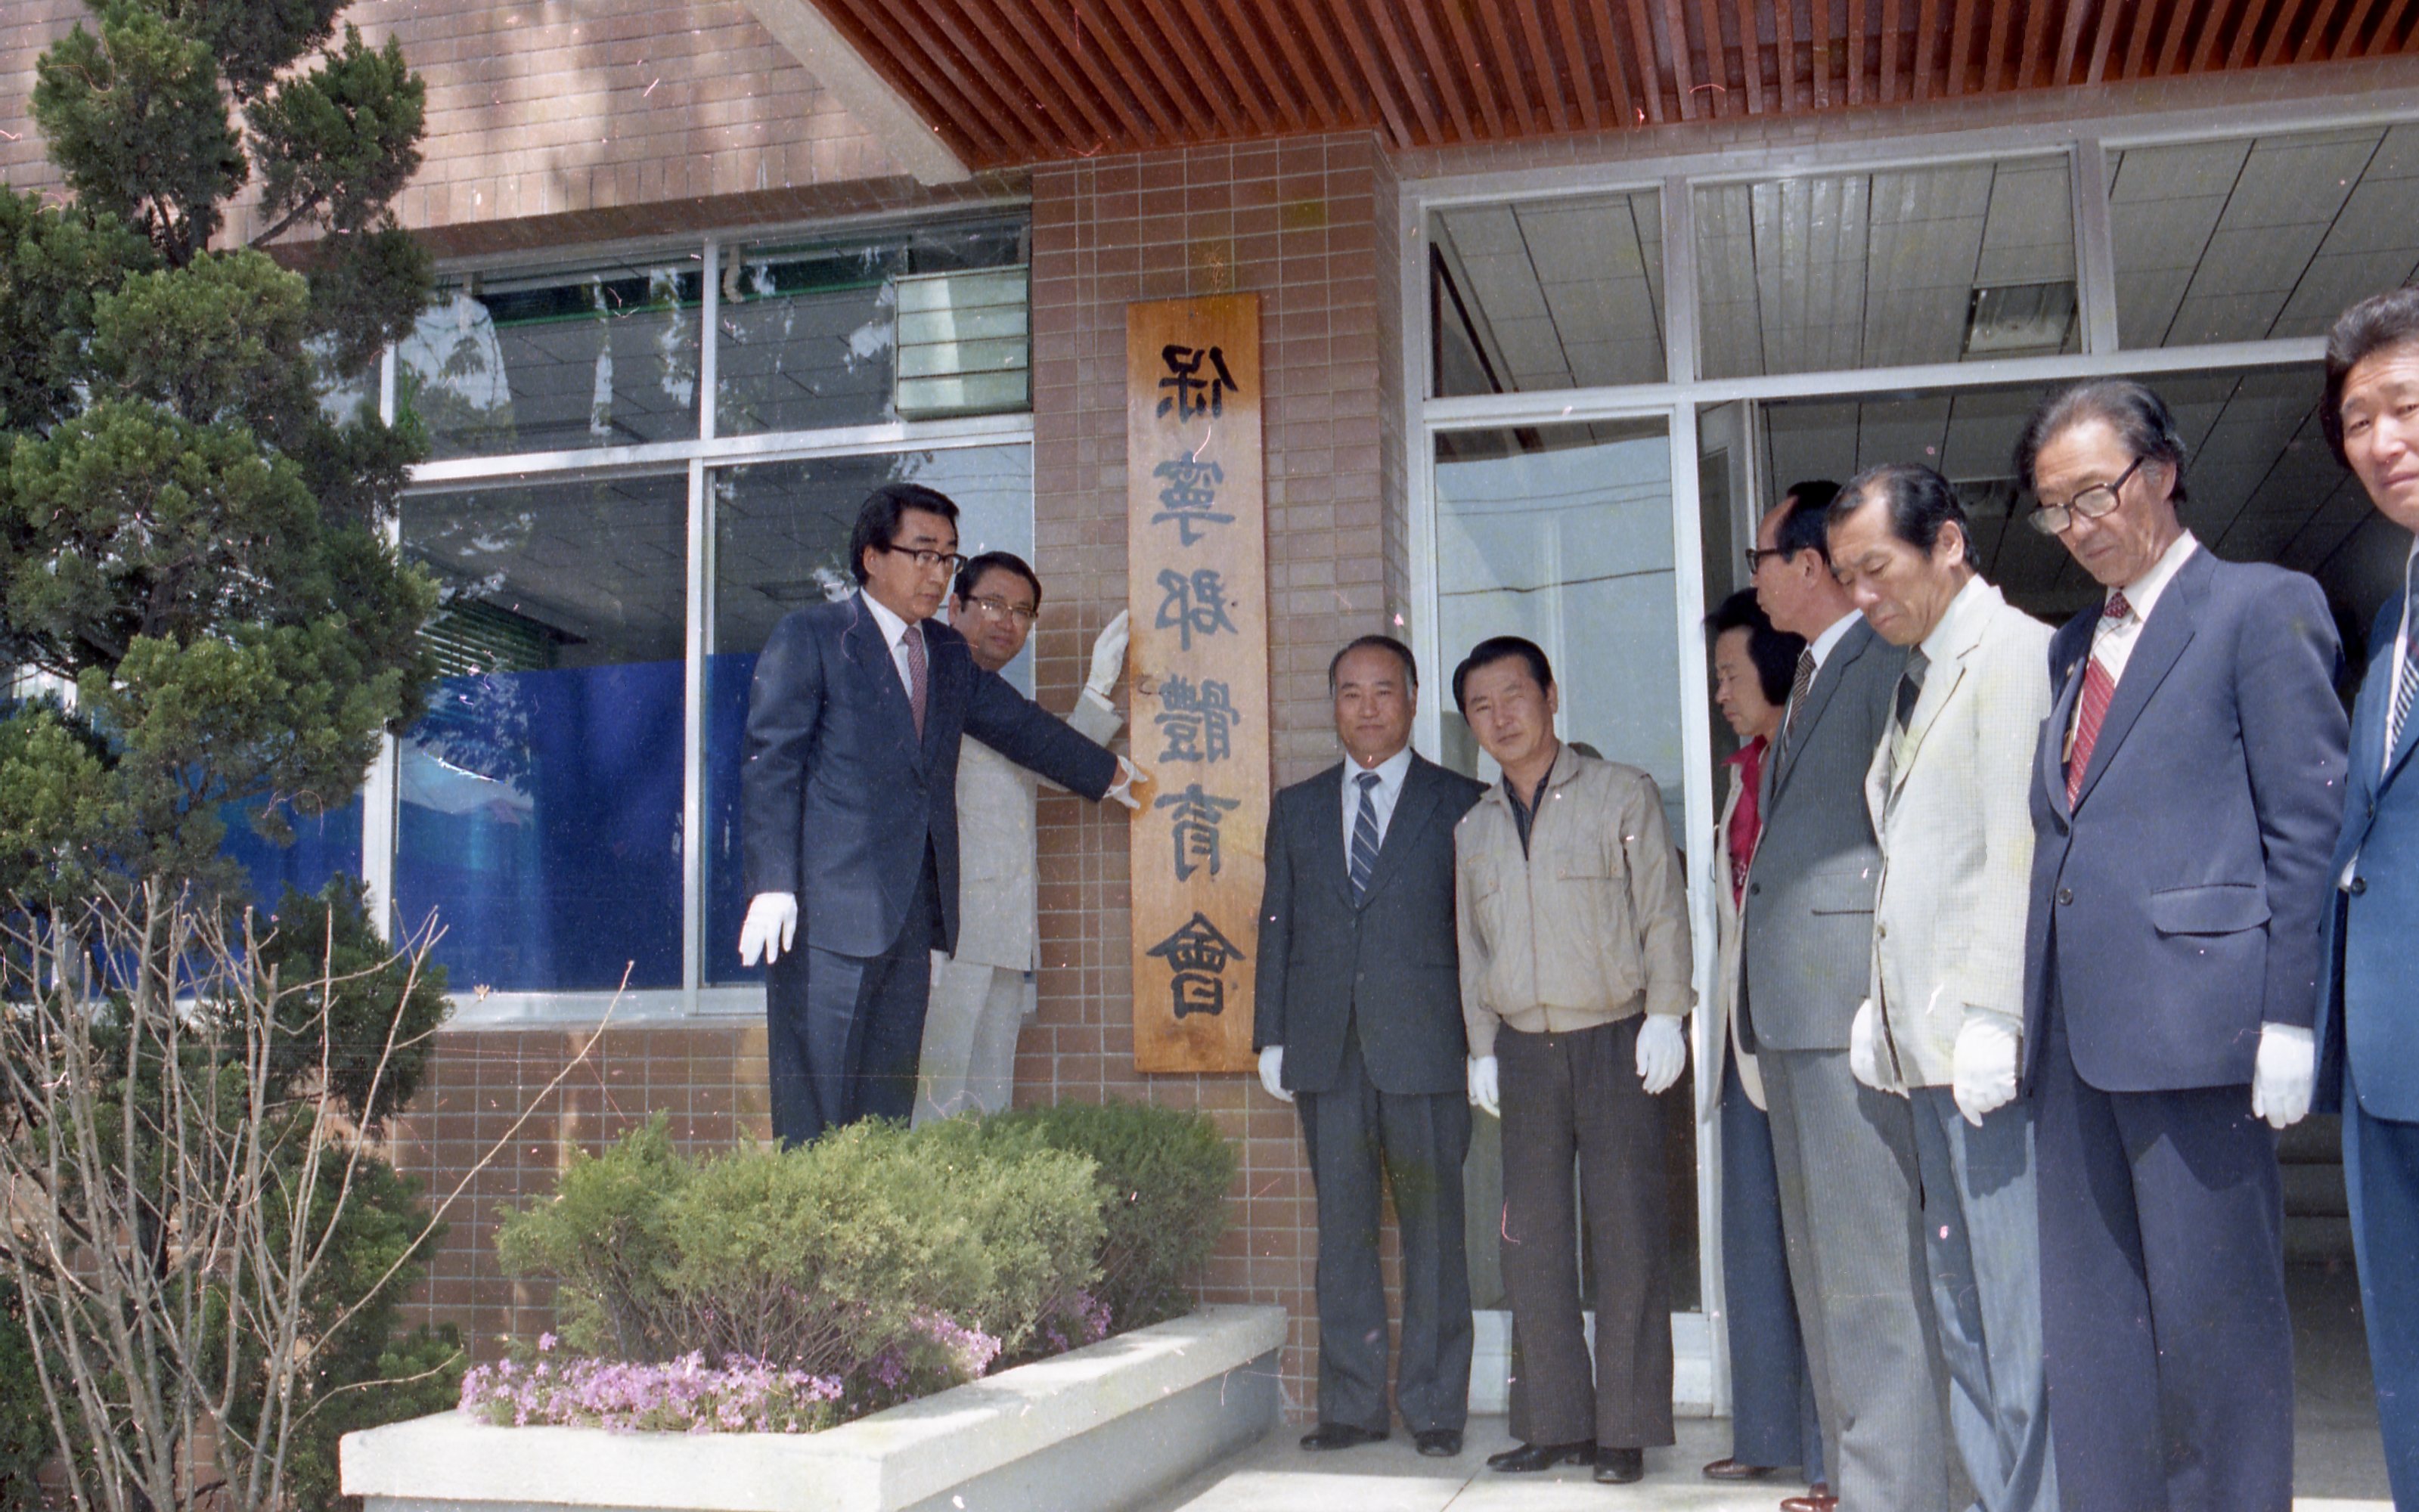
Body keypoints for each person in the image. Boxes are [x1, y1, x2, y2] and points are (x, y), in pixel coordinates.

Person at [2014, 380, 2346, 1512]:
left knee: (2215, 1331)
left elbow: (2304, 829)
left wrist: (2289, 1014)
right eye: (2054, 509)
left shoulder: (2260, 606)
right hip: (2073, 1038)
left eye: (2094, 493)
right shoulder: (2073, 647)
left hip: (2201, 1031)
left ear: (2161, 472)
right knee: (2094, 1334)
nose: (2076, 525)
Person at [737, 483, 1141, 1145]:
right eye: (922, 554)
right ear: (872, 557)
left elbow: (1022, 728)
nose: (937, 573)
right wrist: (773, 883)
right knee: (818, 1113)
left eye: (948, 558)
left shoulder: (945, 655)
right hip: (826, 922)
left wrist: (1112, 774)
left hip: (913, 924)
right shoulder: (813, 637)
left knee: (886, 1115)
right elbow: (771, 766)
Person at [1827, 464, 2057, 1512]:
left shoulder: (2009, 654)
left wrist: (1995, 1012)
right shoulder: (1914, 674)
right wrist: (1881, 1002)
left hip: (1980, 1055)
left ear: (1949, 545)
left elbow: (2015, 847)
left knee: (2018, 1320)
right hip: (1923, 1054)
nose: (1861, 594)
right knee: (1963, 1313)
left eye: (1876, 567)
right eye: (1846, 575)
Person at [1741, 481, 1948, 1512]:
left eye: (1760, 559)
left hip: (1846, 1015)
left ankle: (1898, 1489)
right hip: (1796, 1018)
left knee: (1871, 1270)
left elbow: (1908, 837)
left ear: (1808, 564)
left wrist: (1884, 994)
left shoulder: (1881, 660)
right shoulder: (1819, 672)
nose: (1752, 580)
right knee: (1824, 1266)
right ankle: (1853, 1474)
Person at [1453, 636, 1692, 1487]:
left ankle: (1624, 1428)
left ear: (1551, 694)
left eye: (1513, 695)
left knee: (1627, 1233)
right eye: (1480, 707)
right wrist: (1481, 1047)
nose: (1500, 717)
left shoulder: (1621, 792)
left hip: (1614, 1037)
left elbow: (1661, 912)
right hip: (1523, 1050)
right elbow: (1471, 951)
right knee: (1532, 1244)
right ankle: (1554, 1424)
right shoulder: (1473, 828)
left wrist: (1667, 1013)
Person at [1251, 635, 1487, 1459]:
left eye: (1383, 690)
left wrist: (1482, 1042)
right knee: (1342, 1234)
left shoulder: (1461, 801)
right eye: (1349, 692)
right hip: (1327, 1050)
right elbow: (1277, 921)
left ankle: (1435, 1407)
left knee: (1434, 1234)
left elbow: (1477, 932)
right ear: (1333, 705)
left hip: (1427, 1047)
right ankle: (1351, 1406)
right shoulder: (1298, 805)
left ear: (1413, 700)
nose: (1367, 707)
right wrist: (1271, 1034)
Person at [2315, 284, 2419, 1509]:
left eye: (2403, 406)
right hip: (2385, 1058)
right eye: (2356, 420)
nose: (2381, 441)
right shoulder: (2394, 618)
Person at [912, 552, 1127, 1125]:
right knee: (936, 1104)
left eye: (1023, 612)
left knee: (988, 1103)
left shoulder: (998, 701)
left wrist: (1099, 687)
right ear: (954, 607)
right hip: (949, 933)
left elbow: (1049, 761)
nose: (1007, 622)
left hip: (1003, 931)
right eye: (992, 604)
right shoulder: (930, 685)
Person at [1699, 591, 1826, 1502]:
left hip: (1808, 1035)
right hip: (1744, 1042)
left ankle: (1830, 1455)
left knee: (1823, 1254)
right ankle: (1766, 1432)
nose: (1719, 694)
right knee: (1752, 1242)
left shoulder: (1811, 754)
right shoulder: (1741, 774)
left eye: (1729, 675)